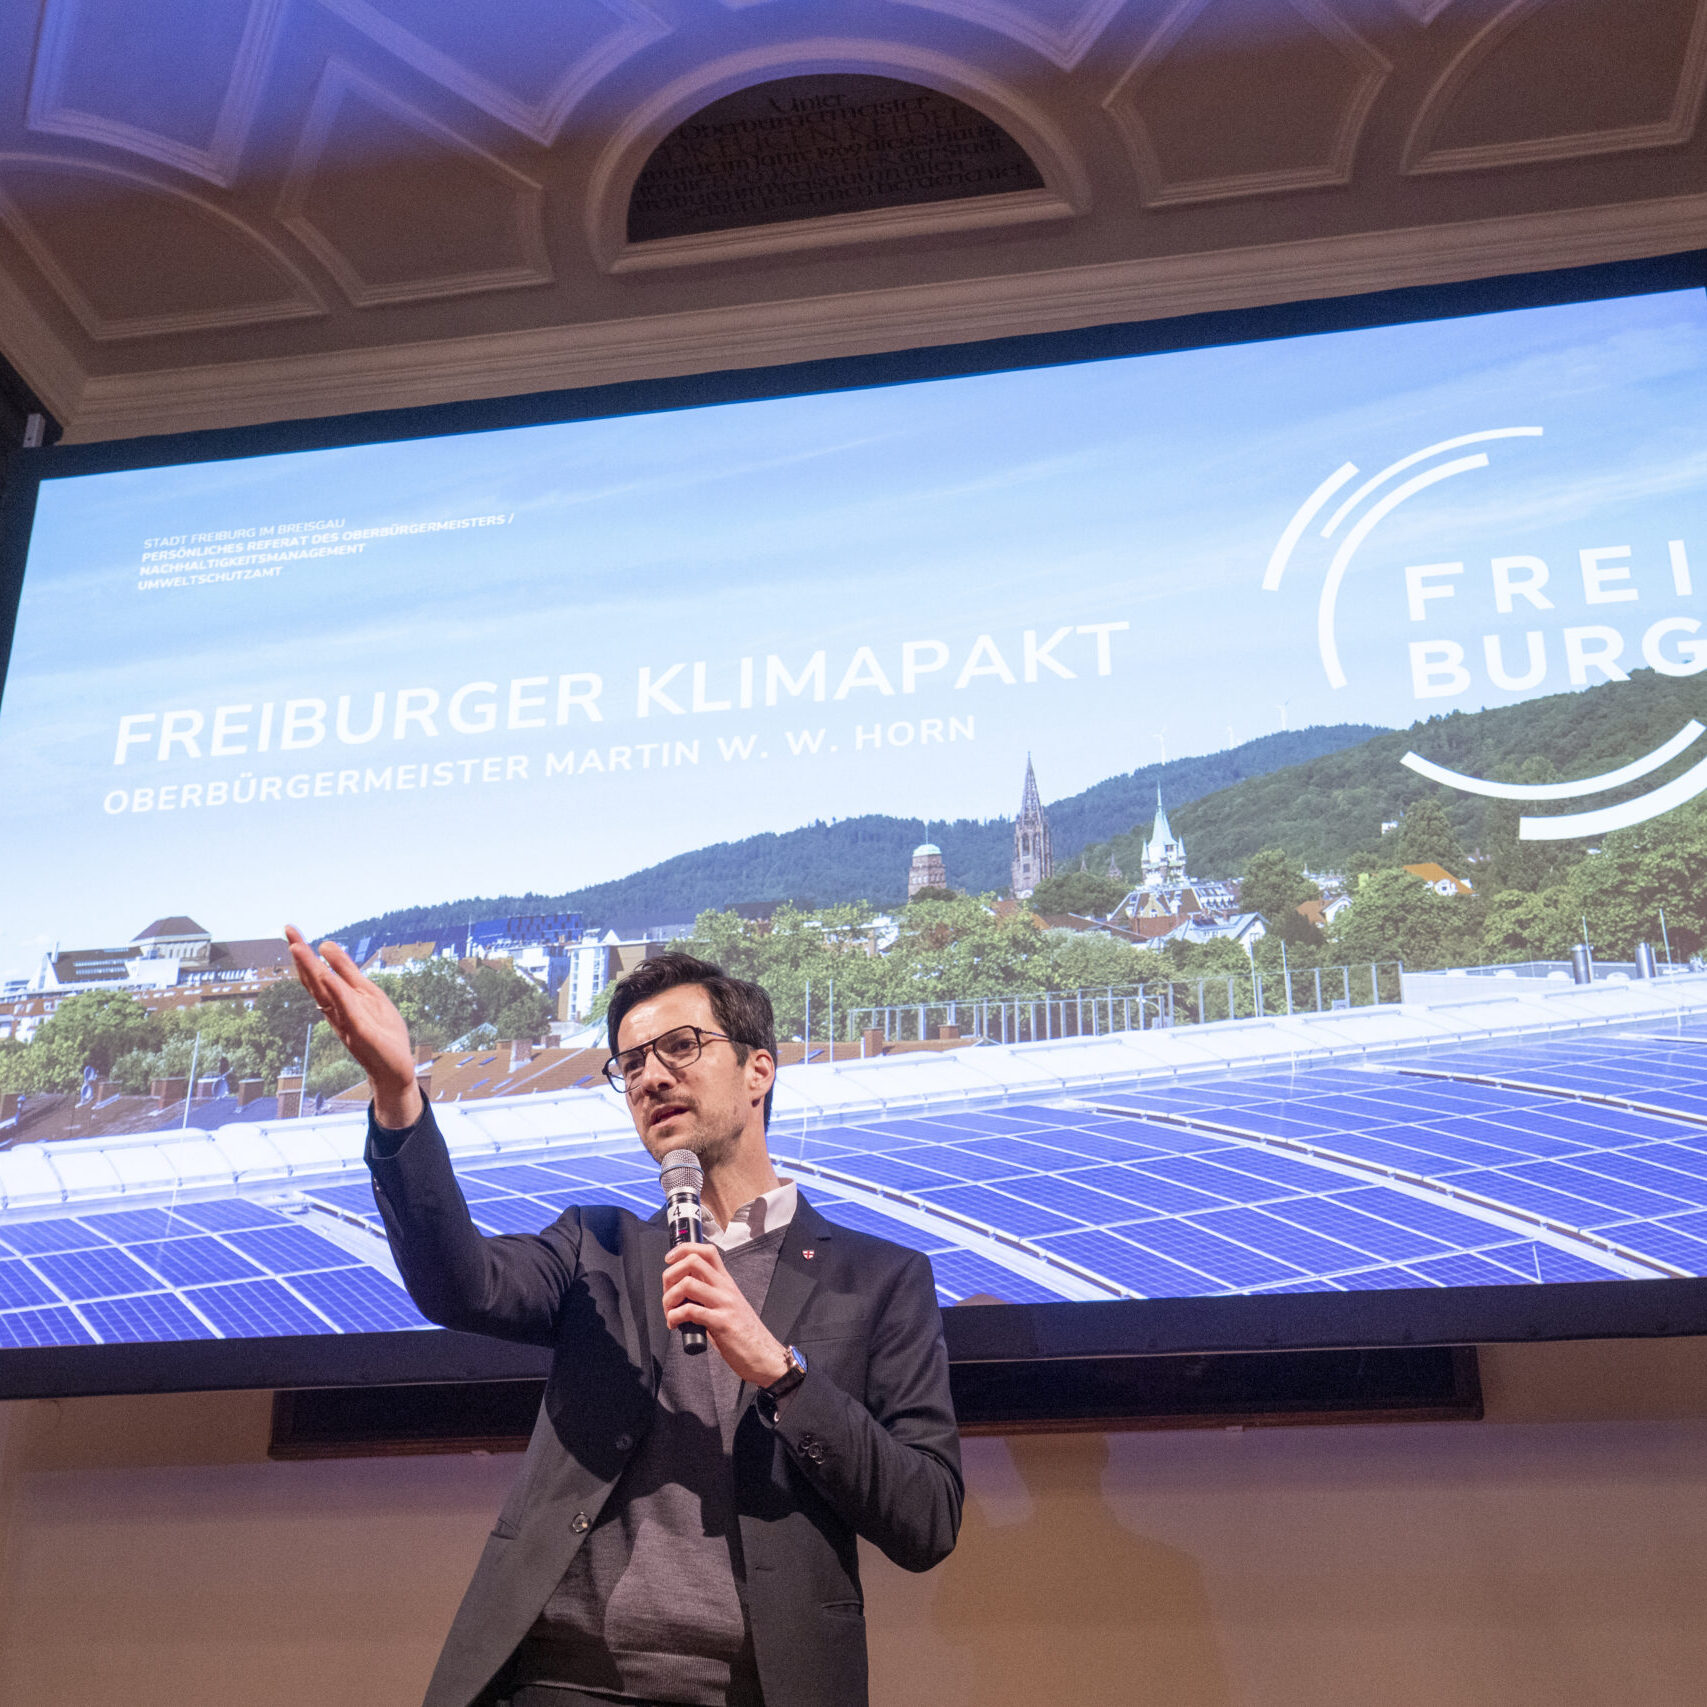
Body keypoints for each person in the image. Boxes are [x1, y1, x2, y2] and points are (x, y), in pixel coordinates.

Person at [286, 930, 962, 1707]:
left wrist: (781, 1372)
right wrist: (398, 1093)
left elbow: (927, 1517)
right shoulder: (596, 1248)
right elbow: (457, 1284)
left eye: (680, 1045)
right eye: (631, 1063)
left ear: (758, 1069)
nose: (650, 1076)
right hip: (559, 1681)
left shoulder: (878, 1279)